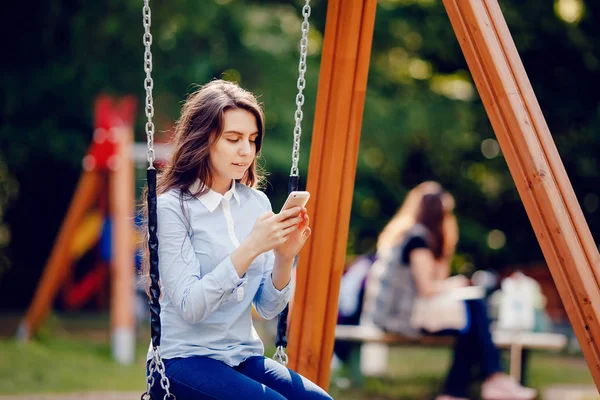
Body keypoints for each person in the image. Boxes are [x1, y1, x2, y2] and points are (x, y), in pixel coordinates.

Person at [141, 79, 333, 400]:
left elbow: (268, 308)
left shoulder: (255, 203)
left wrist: (285, 257)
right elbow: (191, 307)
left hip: (241, 356)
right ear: (203, 139)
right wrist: (251, 248)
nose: (246, 150)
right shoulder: (173, 208)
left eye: (252, 139)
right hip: (182, 359)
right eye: (233, 138)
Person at [361, 181, 537, 400]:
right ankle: (486, 381)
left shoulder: (415, 236)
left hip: (405, 311)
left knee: (469, 323)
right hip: (399, 316)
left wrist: (445, 246)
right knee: (473, 307)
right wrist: (457, 283)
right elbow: (427, 289)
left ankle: (457, 391)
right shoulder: (417, 240)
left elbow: (434, 282)